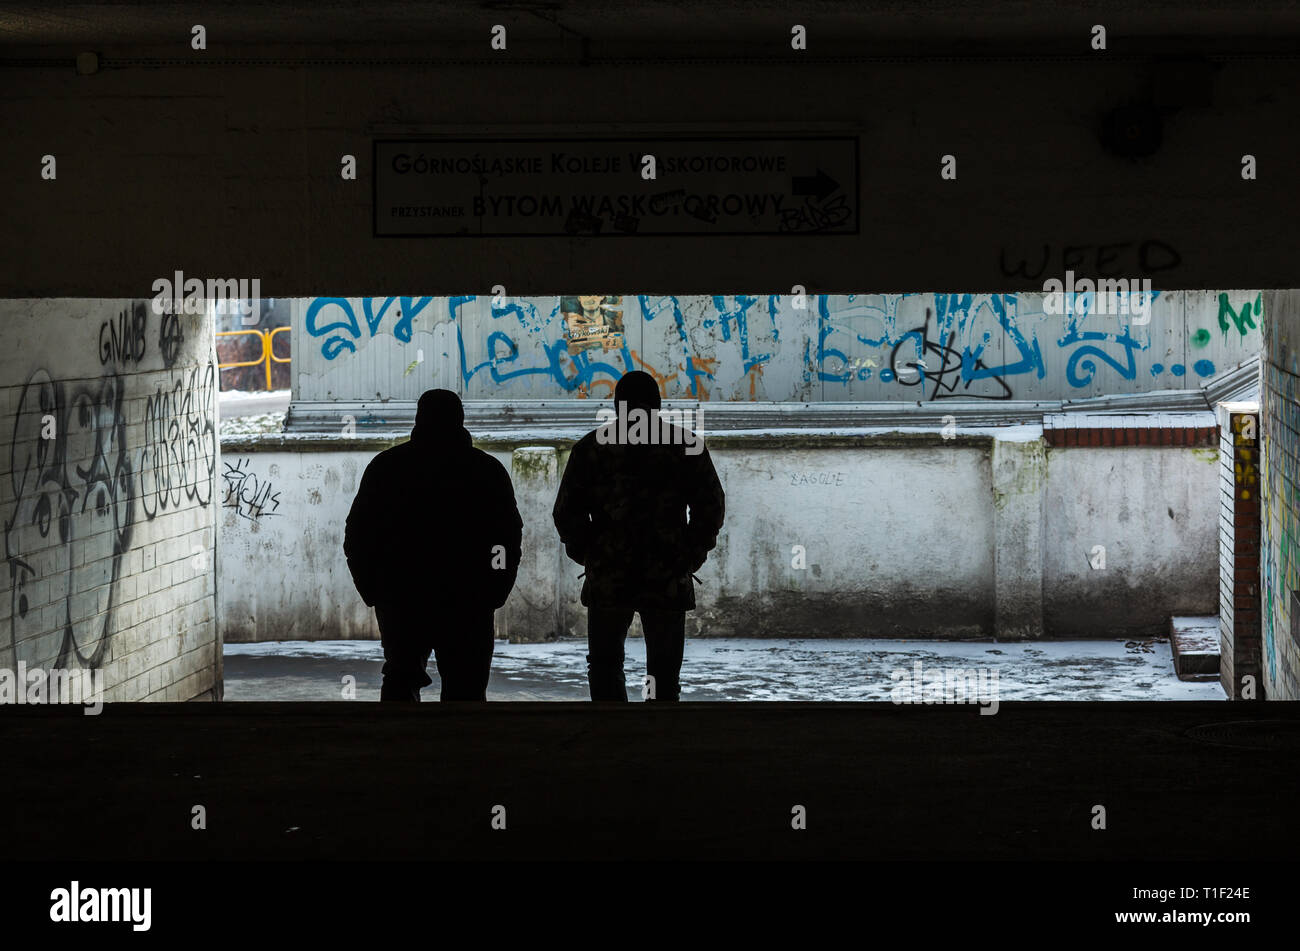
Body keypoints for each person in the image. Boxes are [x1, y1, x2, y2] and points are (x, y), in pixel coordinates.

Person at [552, 371, 725, 701]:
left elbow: (567, 512)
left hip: (610, 572)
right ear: (658, 405)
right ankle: (658, 739)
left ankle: (610, 737)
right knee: (663, 671)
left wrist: (591, 554)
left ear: (618, 405)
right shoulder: (685, 446)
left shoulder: (591, 448)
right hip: (667, 572)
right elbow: (710, 508)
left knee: (605, 665)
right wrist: (690, 554)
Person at [343, 389, 522, 701]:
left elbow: (359, 536)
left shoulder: (386, 468)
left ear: (419, 418)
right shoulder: (486, 470)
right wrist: (496, 587)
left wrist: (373, 588)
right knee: (466, 688)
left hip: (402, 598)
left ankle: (402, 749)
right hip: (469, 598)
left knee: (401, 679)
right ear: (460, 419)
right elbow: (505, 539)